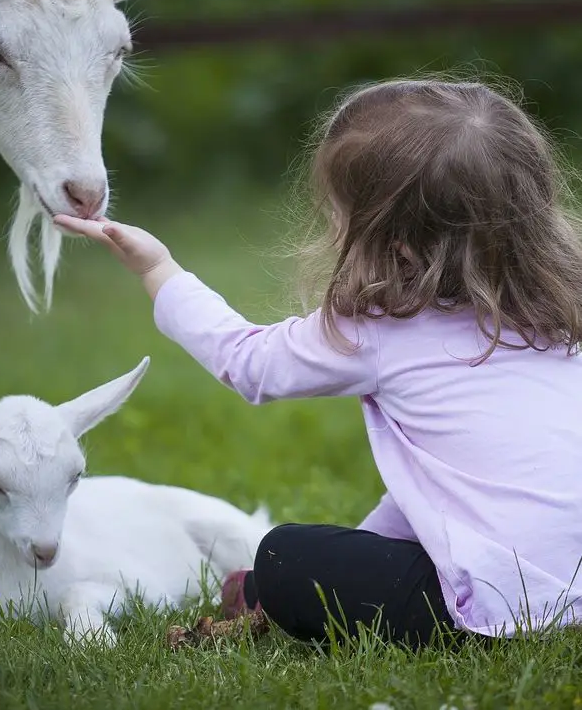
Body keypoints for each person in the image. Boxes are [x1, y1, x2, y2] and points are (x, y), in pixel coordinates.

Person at [55, 79, 582, 649]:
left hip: (496, 603)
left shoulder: (383, 327)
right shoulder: (560, 315)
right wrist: (360, 544)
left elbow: (247, 360)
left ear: (396, 244)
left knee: (286, 556)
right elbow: (440, 486)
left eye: (339, 216)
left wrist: (158, 269)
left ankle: (266, 592)